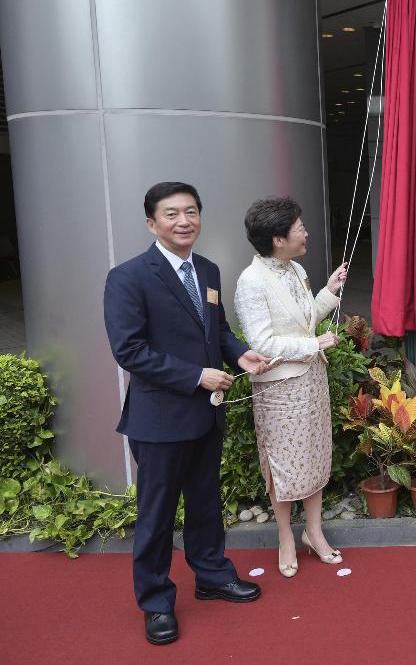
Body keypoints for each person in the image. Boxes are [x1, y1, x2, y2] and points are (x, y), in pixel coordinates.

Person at [104, 182, 270, 646]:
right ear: (151, 223)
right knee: (156, 515)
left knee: (204, 503)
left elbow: (217, 331)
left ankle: (212, 574)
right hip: (159, 420)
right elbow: (130, 351)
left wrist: (240, 355)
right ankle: (155, 603)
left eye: (191, 212)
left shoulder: (209, 270)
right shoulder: (129, 277)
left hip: (206, 415)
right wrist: (197, 376)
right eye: (172, 213)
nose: (184, 221)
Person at [233, 197, 348, 579]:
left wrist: (329, 292)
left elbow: (304, 319)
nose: (306, 233)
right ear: (278, 239)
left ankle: (314, 532)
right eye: (299, 227)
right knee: (282, 465)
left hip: (312, 380)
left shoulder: (296, 269)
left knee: (314, 455)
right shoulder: (251, 282)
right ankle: (285, 536)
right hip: (278, 389)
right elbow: (262, 342)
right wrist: (313, 345)